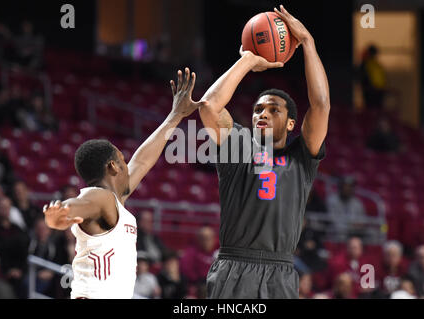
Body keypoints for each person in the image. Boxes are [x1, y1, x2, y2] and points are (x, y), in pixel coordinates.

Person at [199, 5, 329, 298]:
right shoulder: (239, 147)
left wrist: (307, 41)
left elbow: (321, 105)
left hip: (280, 271)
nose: (262, 114)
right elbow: (208, 106)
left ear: (292, 122)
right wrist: (247, 60)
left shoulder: (302, 158)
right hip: (234, 265)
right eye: (257, 109)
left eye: (273, 109)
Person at [42, 68, 205, 299]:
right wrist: (60, 216)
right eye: (121, 158)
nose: (127, 163)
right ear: (112, 167)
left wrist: (175, 116)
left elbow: (143, 160)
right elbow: (77, 205)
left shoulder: (114, 200)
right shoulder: (101, 198)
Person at [326, 176, 368, 240]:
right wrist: (351, 225)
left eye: (350, 186)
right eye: (345, 186)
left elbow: (362, 221)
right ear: (340, 187)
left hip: (354, 232)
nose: (347, 189)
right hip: (337, 231)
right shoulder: (332, 200)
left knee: (369, 233)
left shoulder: (357, 203)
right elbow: (332, 220)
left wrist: (358, 225)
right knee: (340, 232)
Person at [359, 44, 387, 109]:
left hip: (374, 91)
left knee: (373, 110)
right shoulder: (374, 64)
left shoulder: (369, 64)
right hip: (375, 91)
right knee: (374, 109)